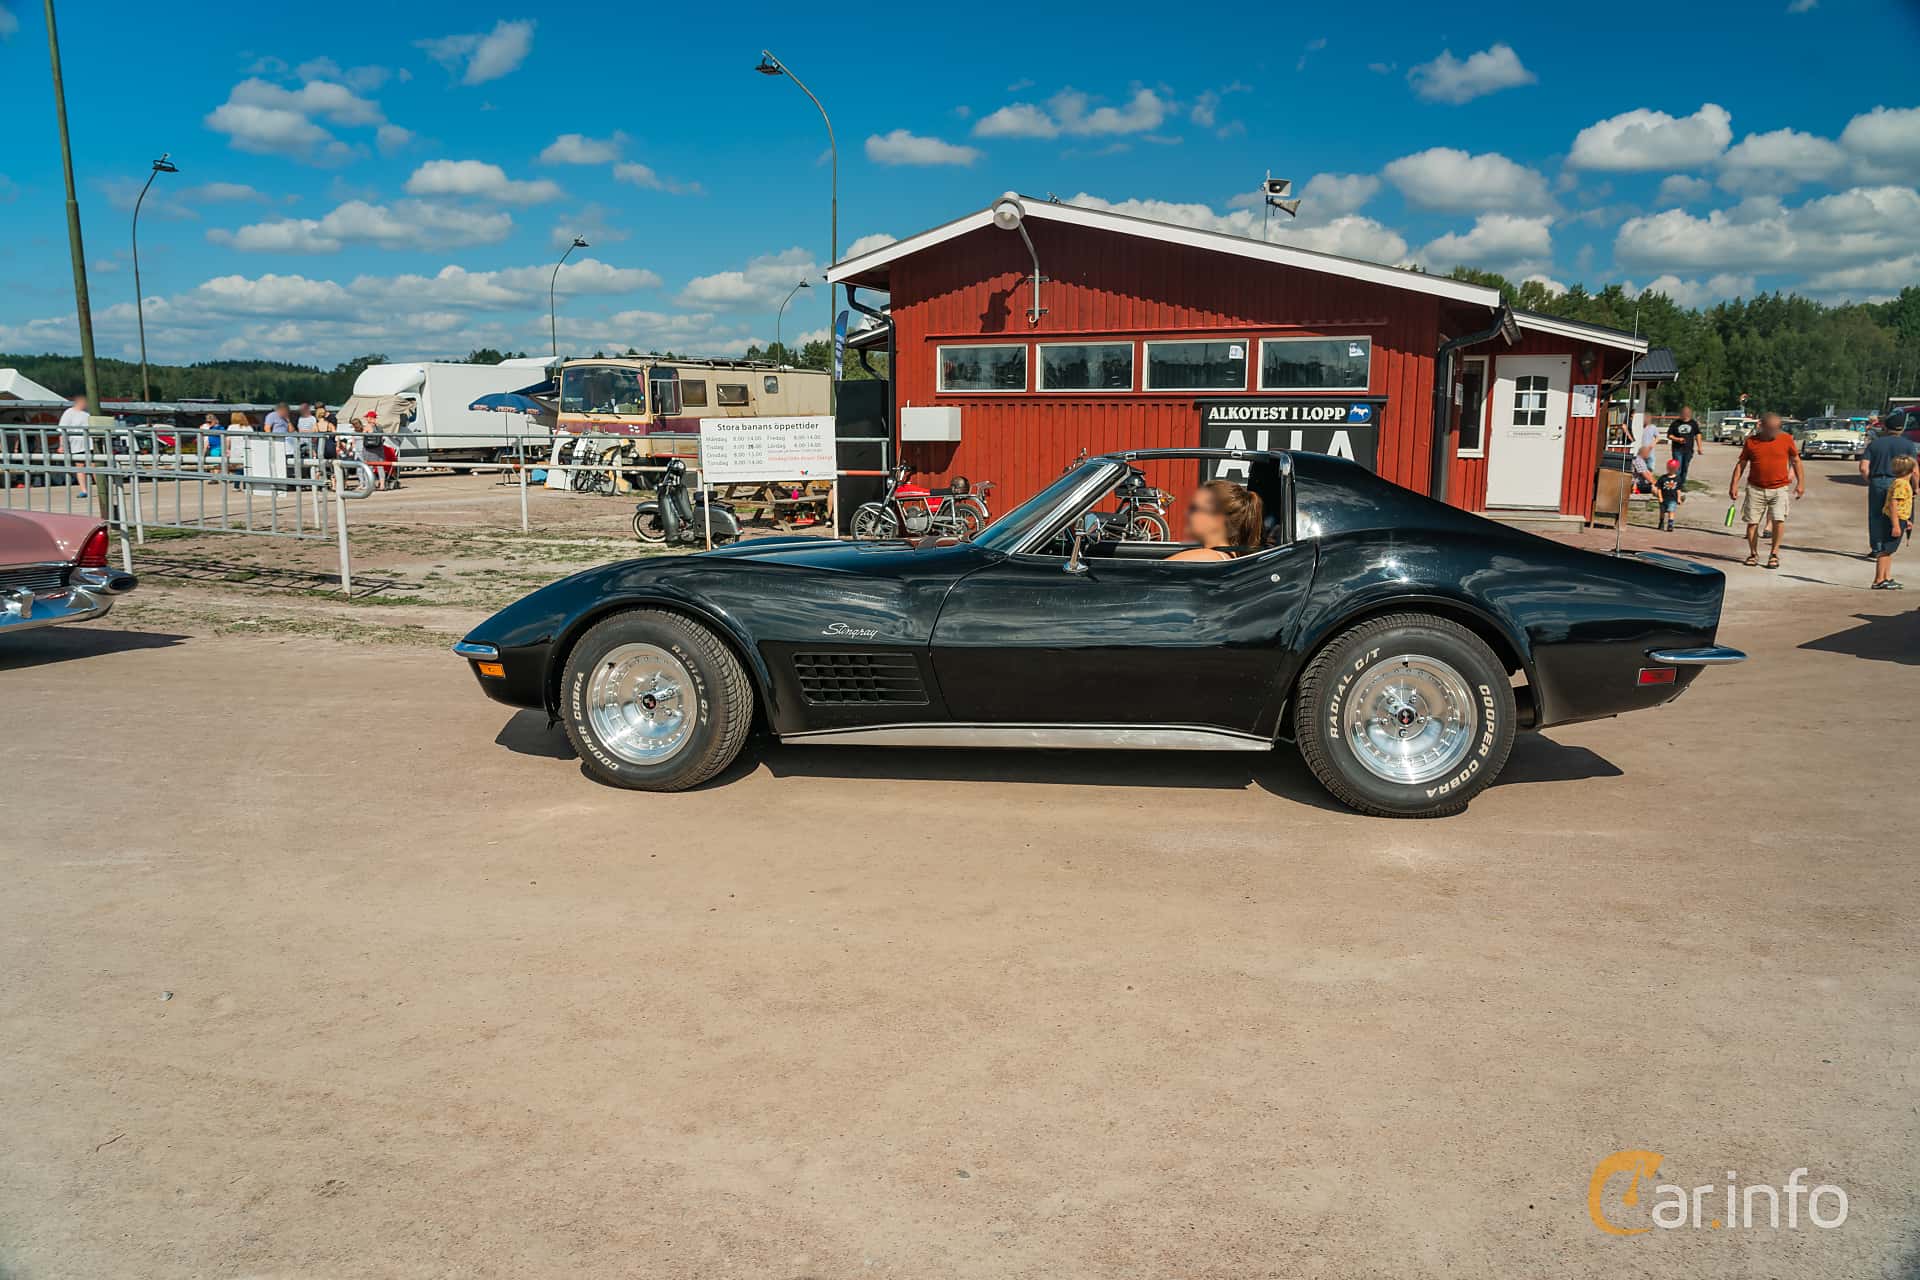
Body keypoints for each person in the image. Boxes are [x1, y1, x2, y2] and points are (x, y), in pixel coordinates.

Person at [1729, 412, 1804, 569]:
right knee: (1752, 522)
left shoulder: (1786, 439)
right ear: (1761, 426)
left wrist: (1800, 483)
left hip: (1779, 488)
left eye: (1776, 429)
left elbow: (1796, 461)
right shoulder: (1751, 442)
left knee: (1778, 520)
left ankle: (1774, 554)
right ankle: (1753, 553)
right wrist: (1734, 484)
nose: (1774, 432)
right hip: (1755, 488)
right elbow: (1741, 464)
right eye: (1770, 429)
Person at [1863, 422, 1919, 589]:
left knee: (1885, 541)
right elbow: (1894, 504)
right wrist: (1896, 524)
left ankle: (1886, 576)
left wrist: (1906, 520)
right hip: (1895, 519)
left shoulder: (1875, 444)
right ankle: (1879, 579)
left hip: (1879, 484)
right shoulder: (1902, 485)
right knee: (1887, 549)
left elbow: (1863, 467)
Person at [1169, 479, 1264, 562]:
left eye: (1195, 508)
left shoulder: (1204, 557)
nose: (1187, 512)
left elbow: (1156, 572)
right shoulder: (1223, 555)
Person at [58, 392, 93, 500]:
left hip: (90, 443)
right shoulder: (69, 412)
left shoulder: (88, 413)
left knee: (94, 465)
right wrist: (62, 445)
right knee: (80, 466)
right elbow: (62, 430)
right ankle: (84, 490)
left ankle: (103, 488)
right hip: (76, 444)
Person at [1665, 406, 1706, 487]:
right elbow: (1669, 435)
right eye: (1684, 413)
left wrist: (1700, 447)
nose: (1685, 414)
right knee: (1677, 468)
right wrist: (1677, 439)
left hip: (1688, 450)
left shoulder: (1693, 423)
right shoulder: (1675, 423)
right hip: (1677, 449)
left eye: (1687, 413)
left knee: (1685, 468)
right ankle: (1676, 485)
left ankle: (1682, 484)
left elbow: (1698, 434)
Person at [1631, 415, 1662, 494]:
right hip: (1636, 484)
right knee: (1652, 486)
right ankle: (1667, 496)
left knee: (1650, 470)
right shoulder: (1638, 460)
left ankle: (1669, 496)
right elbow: (1646, 475)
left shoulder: (1652, 427)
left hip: (1636, 482)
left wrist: (1652, 445)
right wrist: (1656, 484)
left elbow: (1648, 473)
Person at [1655, 459, 1685, 532]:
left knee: (1671, 511)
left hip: (1673, 499)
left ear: (1676, 469)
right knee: (1662, 512)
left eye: (1673, 468)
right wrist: (1660, 497)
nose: (1671, 470)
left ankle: (1670, 525)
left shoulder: (1678, 479)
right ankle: (1661, 522)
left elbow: (1678, 490)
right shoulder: (1663, 478)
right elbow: (1659, 488)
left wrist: (1678, 499)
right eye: (1670, 468)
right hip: (1664, 498)